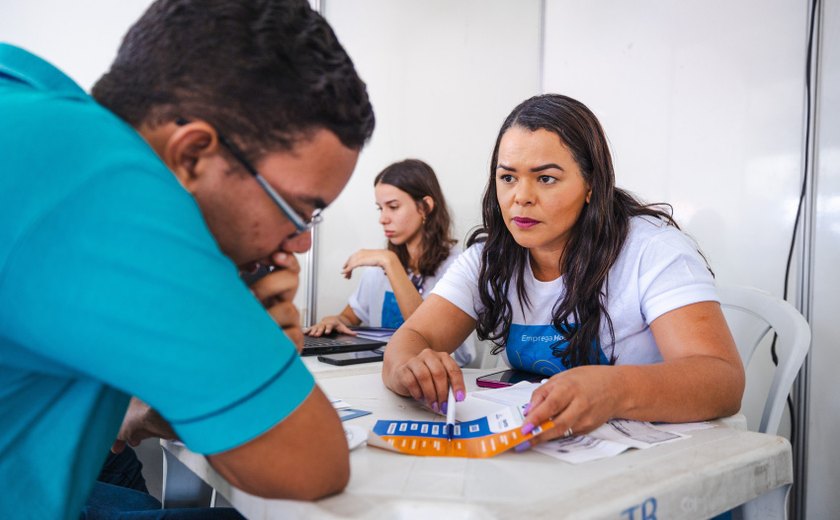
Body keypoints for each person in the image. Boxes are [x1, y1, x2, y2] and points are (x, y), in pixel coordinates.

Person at [0, 0, 375, 517]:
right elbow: (310, 463)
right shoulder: (107, 184)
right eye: (301, 211)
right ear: (193, 153)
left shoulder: (26, 93)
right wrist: (254, 332)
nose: (301, 244)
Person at [381, 94, 745, 446]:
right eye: (507, 177)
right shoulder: (490, 257)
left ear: (590, 185)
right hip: (552, 455)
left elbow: (722, 379)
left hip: (658, 463)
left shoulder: (651, 250)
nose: (520, 197)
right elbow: (411, 340)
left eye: (546, 178)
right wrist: (409, 369)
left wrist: (614, 389)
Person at [306, 159, 474, 367]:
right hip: (381, 375)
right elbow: (349, 317)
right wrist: (335, 321)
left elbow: (430, 343)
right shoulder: (380, 266)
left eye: (393, 207)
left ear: (425, 207)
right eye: (380, 208)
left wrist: (390, 262)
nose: (383, 219)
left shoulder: (459, 266)